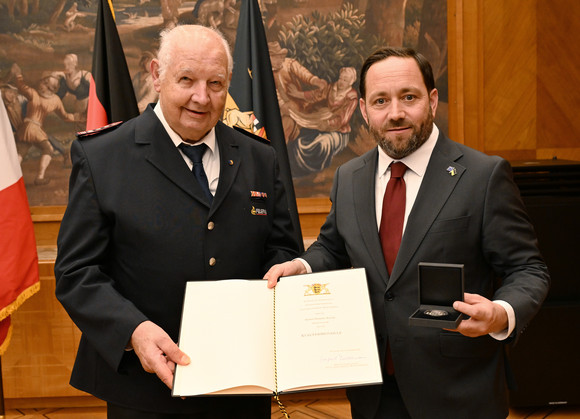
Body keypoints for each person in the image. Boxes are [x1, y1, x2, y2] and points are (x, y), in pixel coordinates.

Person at [264, 46, 550, 419]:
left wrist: (501, 313)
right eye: (381, 100)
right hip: (373, 392)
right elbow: (333, 248)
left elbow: (528, 269)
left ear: (431, 101)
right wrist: (301, 266)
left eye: (408, 97)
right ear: (364, 110)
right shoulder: (349, 177)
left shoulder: (483, 176)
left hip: (458, 392)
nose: (395, 113)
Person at [54, 24, 300, 418]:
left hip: (241, 382)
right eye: (186, 79)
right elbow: (76, 272)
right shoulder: (103, 157)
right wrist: (134, 331)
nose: (201, 98)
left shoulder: (259, 157)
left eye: (216, 83)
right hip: (143, 388)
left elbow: (282, 248)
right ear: (156, 75)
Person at [11, 64, 76, 185]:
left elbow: (20, 85)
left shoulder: (33, 93)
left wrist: (18, 74)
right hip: (35, 129)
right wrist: (78, 117)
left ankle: (10, 177)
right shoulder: (55, 100)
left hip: (25, 128)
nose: (42, 85)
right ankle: (39, 177)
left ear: (47, 85)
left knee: (22, 151)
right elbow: (66, 117)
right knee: (48, 149)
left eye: (45, 83)